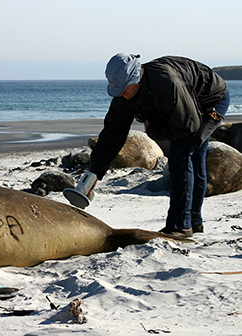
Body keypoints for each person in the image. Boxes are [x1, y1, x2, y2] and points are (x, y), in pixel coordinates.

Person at [67, 53, 230, 237]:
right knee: (193, 157)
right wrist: (94, 172)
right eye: (116, 88)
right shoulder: (124, 96)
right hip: (185, 105)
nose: (120, 93)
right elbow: (112, 135)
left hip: (211, 101)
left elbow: (187, 126)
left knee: (182, 155)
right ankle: (194, 222)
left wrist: (154, 131)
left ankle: (181, 226)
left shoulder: (166, 83)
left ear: (136, 77)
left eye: (123, 88)